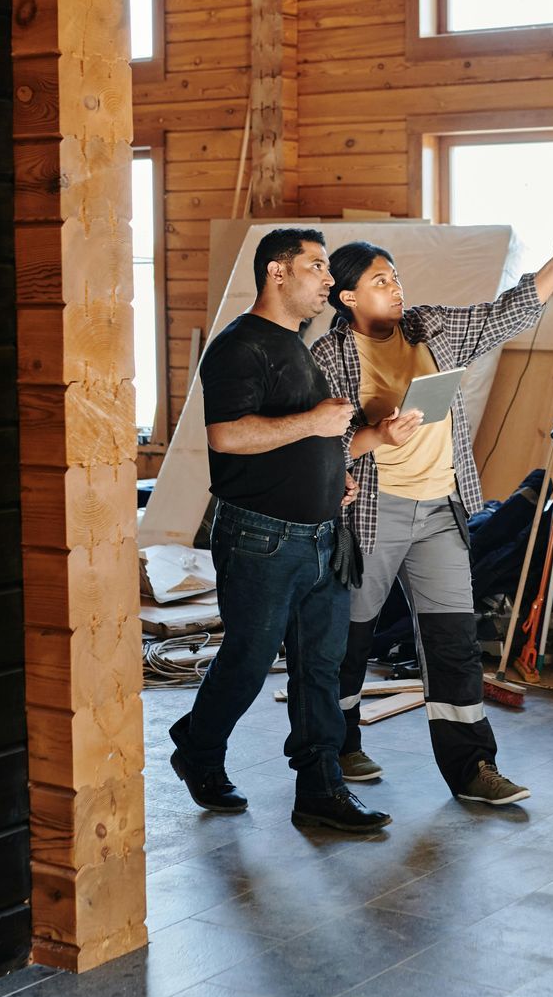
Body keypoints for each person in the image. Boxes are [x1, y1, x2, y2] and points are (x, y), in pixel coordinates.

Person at [312, 214, 553, 805]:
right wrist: (376, 433)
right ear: (346, 297)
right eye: (378, 281)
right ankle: (337, 743)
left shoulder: (433, 328)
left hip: (441, 509)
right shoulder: (328, 357)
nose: (395, 288)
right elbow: (318, 443)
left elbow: (507, 313)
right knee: (351, 636)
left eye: (395, 277)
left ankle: (473, 768)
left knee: (452, 641)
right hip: (373, 512)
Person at [167, 228, 391, 833]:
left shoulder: (297, 345)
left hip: (322, 534)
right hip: (261, 538)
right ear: (277, 272)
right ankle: (199, 749)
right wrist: (317, 422)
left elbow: (303, 441)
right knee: (248, 658)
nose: (327, 278)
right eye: (316, 266)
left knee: (320, 666)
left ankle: (320, 789)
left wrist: (332, 479)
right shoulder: (240, 347)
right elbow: (228, 436)